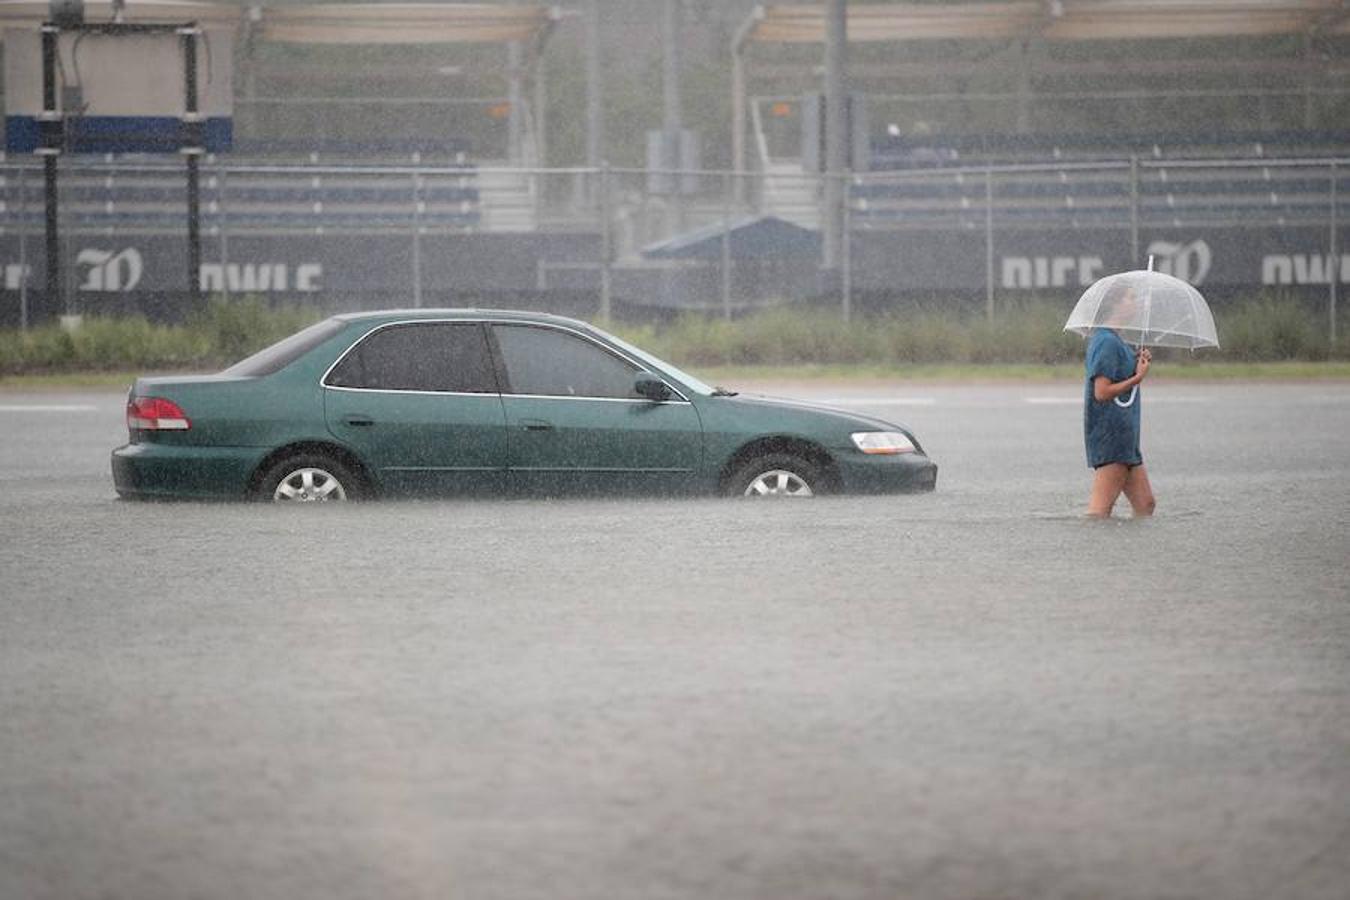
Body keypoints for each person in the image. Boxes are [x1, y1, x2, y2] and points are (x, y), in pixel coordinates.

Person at [1083, 282, 1155, 518]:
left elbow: (1118, 374)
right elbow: (1101, 392)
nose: (1136, 303)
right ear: (1115, 304)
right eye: (1130, 298)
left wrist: (1136, 360)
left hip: (1126, 438)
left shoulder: (1118, 342)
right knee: (1099, 512)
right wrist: (1138, 378)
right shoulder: (1106, 341)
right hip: (1111, 437)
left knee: (1145, 505)